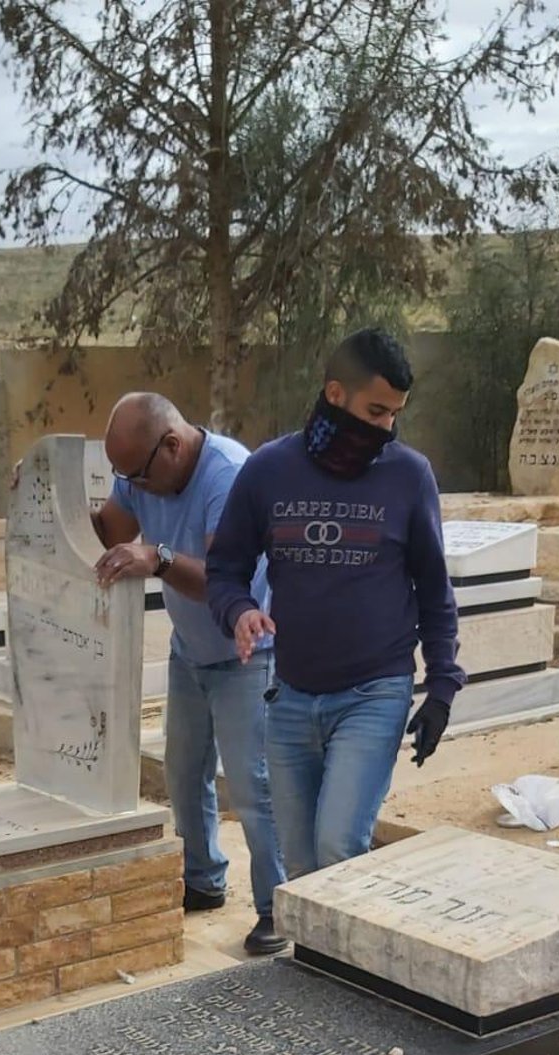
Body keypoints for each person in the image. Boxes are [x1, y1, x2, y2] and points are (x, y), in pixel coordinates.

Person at [206, 328, 465, 879]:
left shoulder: (409, 475)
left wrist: (442, 687)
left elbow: (434, 590)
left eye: (394, 414)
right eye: (375, 411)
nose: (385, 427)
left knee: (339, 847)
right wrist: (239, 610)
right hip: (290, 698)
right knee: (301, 867)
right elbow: (224, 568)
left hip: (374, 693)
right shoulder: (268, 470)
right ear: (334, 393)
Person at [92, 392, 287, 956]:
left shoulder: (229, 475)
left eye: (136, 475)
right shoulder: (142, 471)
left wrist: (157, 557)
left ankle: (278, 907)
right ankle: (202, 878)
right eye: (123, 477)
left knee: (253, 787)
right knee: (183, 773)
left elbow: (228, 583)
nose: (131, 488)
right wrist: (40, 490)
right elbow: (107, 531)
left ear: (172, 446)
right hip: (192, 653)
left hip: (248, 653)